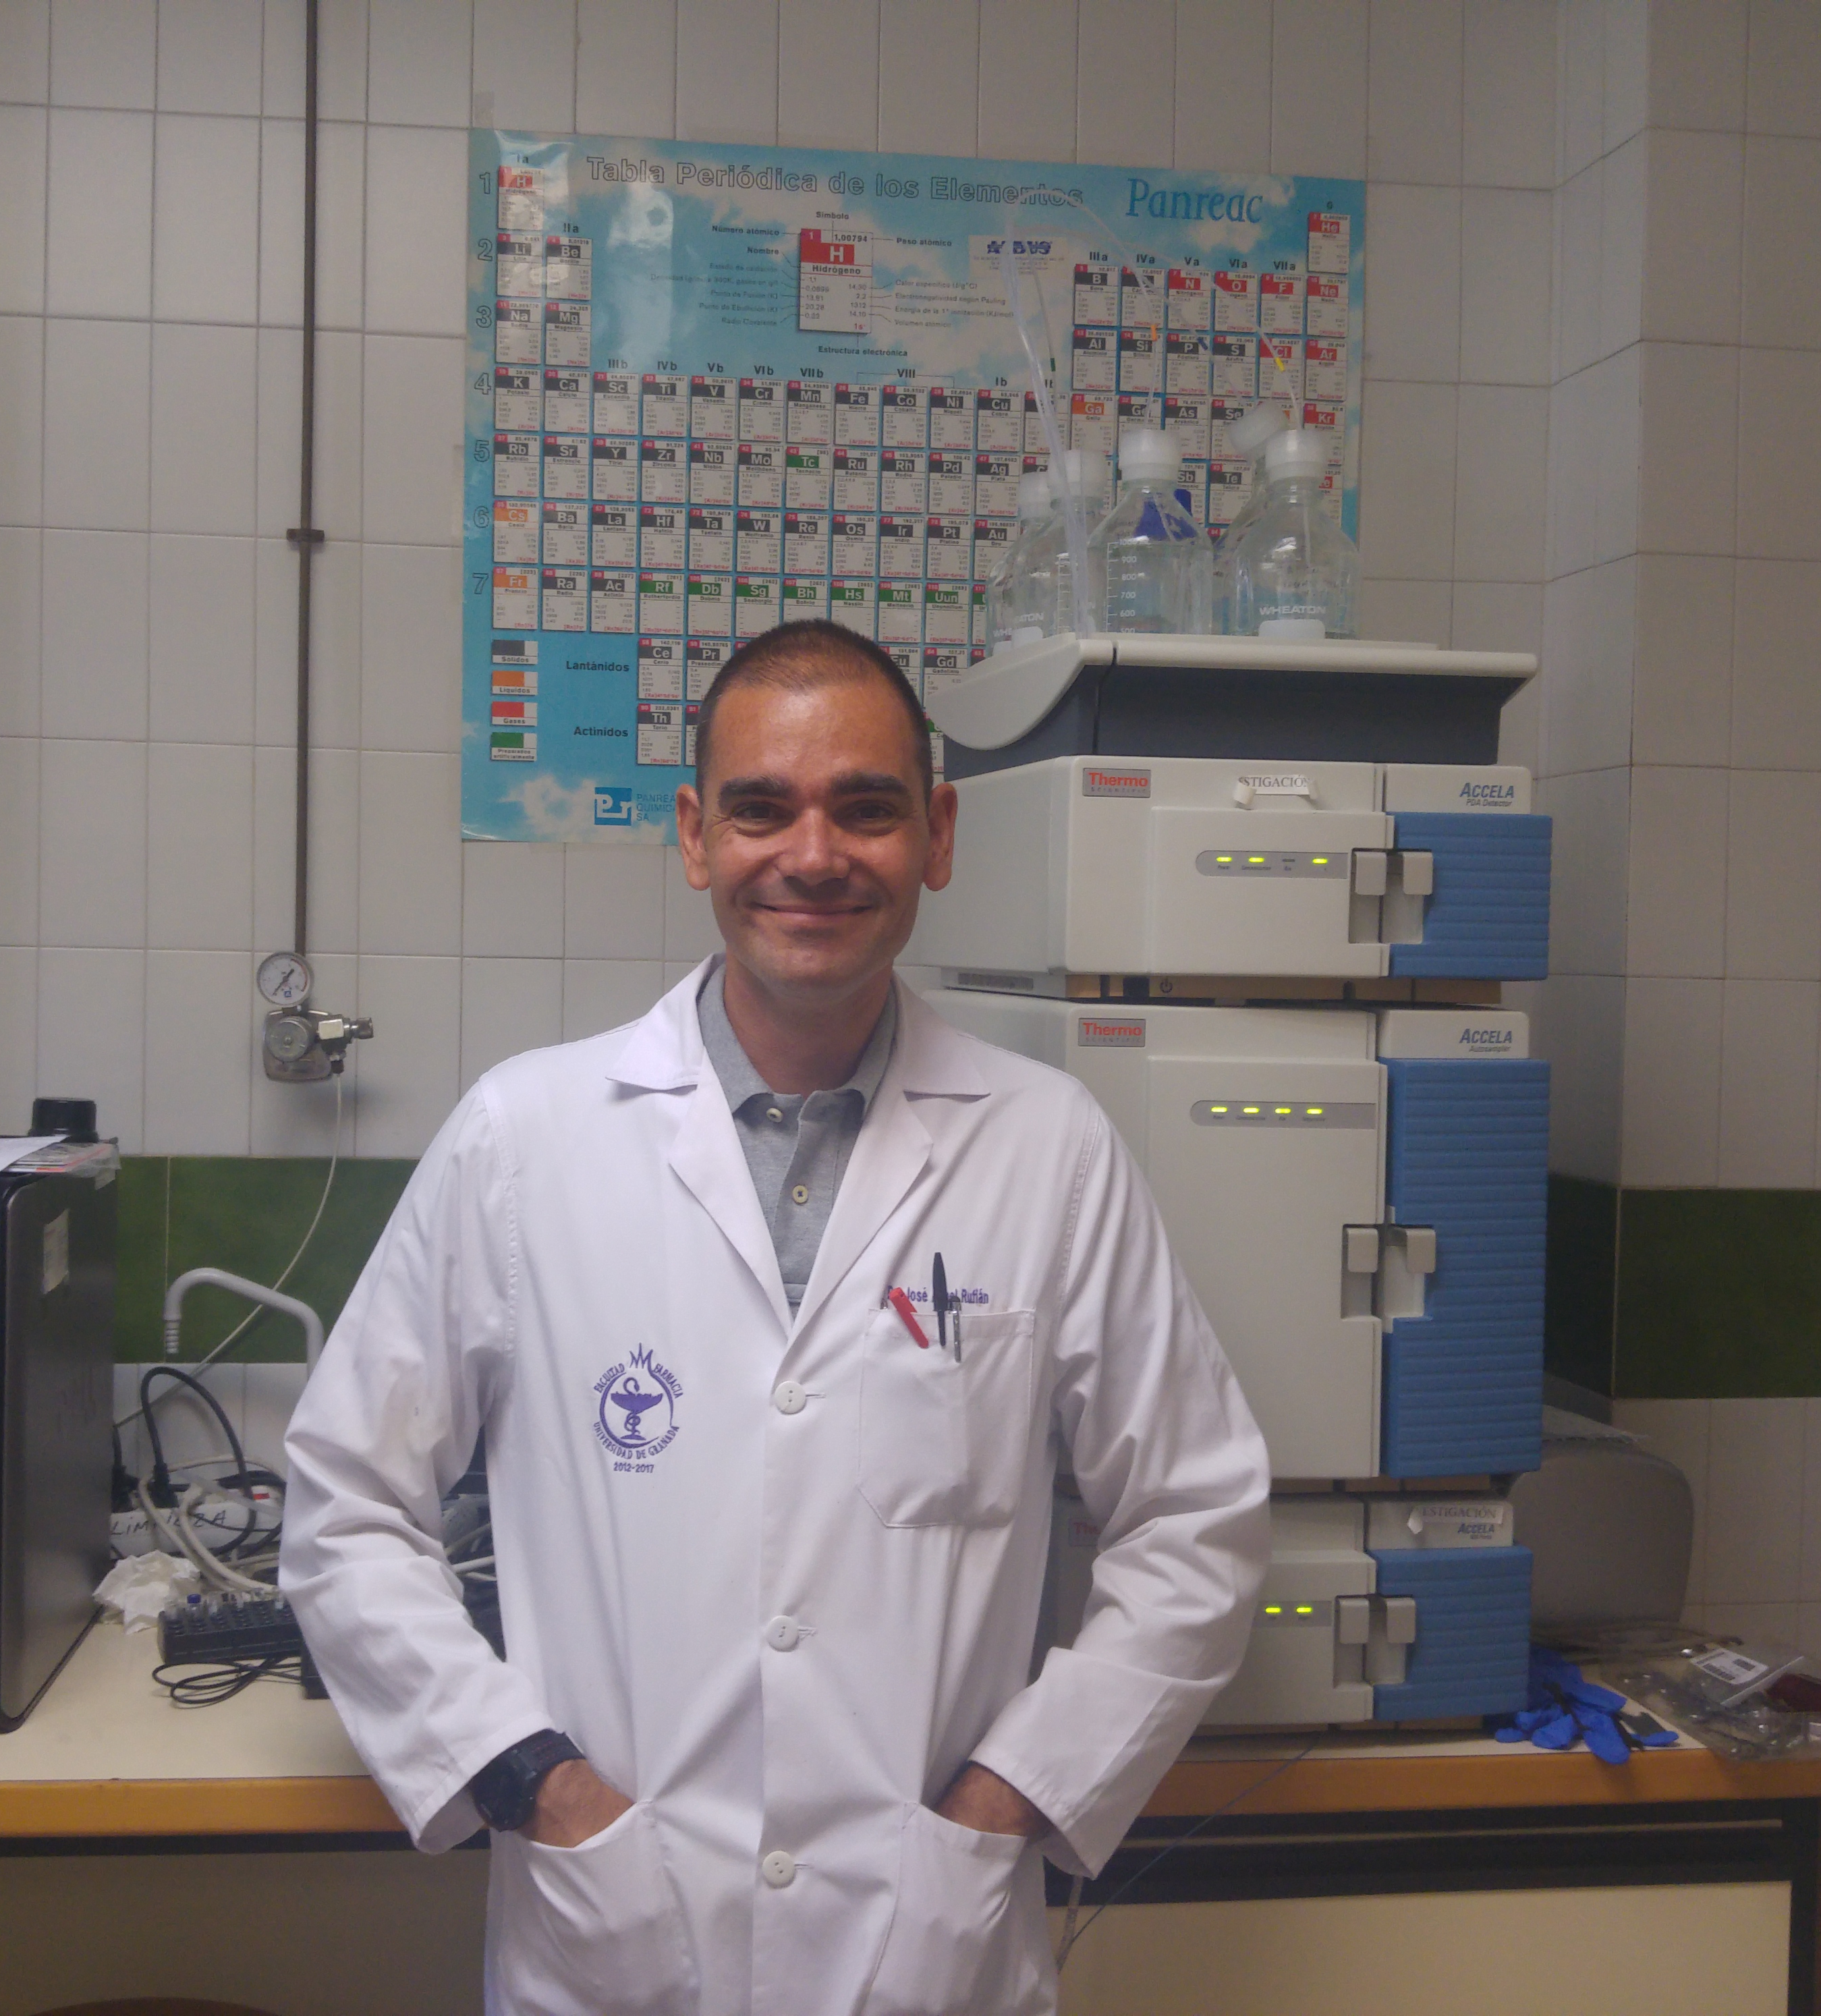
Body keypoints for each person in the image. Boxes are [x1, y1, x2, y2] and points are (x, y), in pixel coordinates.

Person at [281, 619, 1272, 2015]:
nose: (812, 855)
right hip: (614, 1933)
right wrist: (541, 1791)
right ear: (696, 836)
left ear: (935, 835)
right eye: (762, 807)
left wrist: (1005, 1807)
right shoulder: (527, 1135)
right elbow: (344, 1504)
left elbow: (1195, 1518)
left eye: (864, 808)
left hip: (928, 1945)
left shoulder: (1046, 1146)